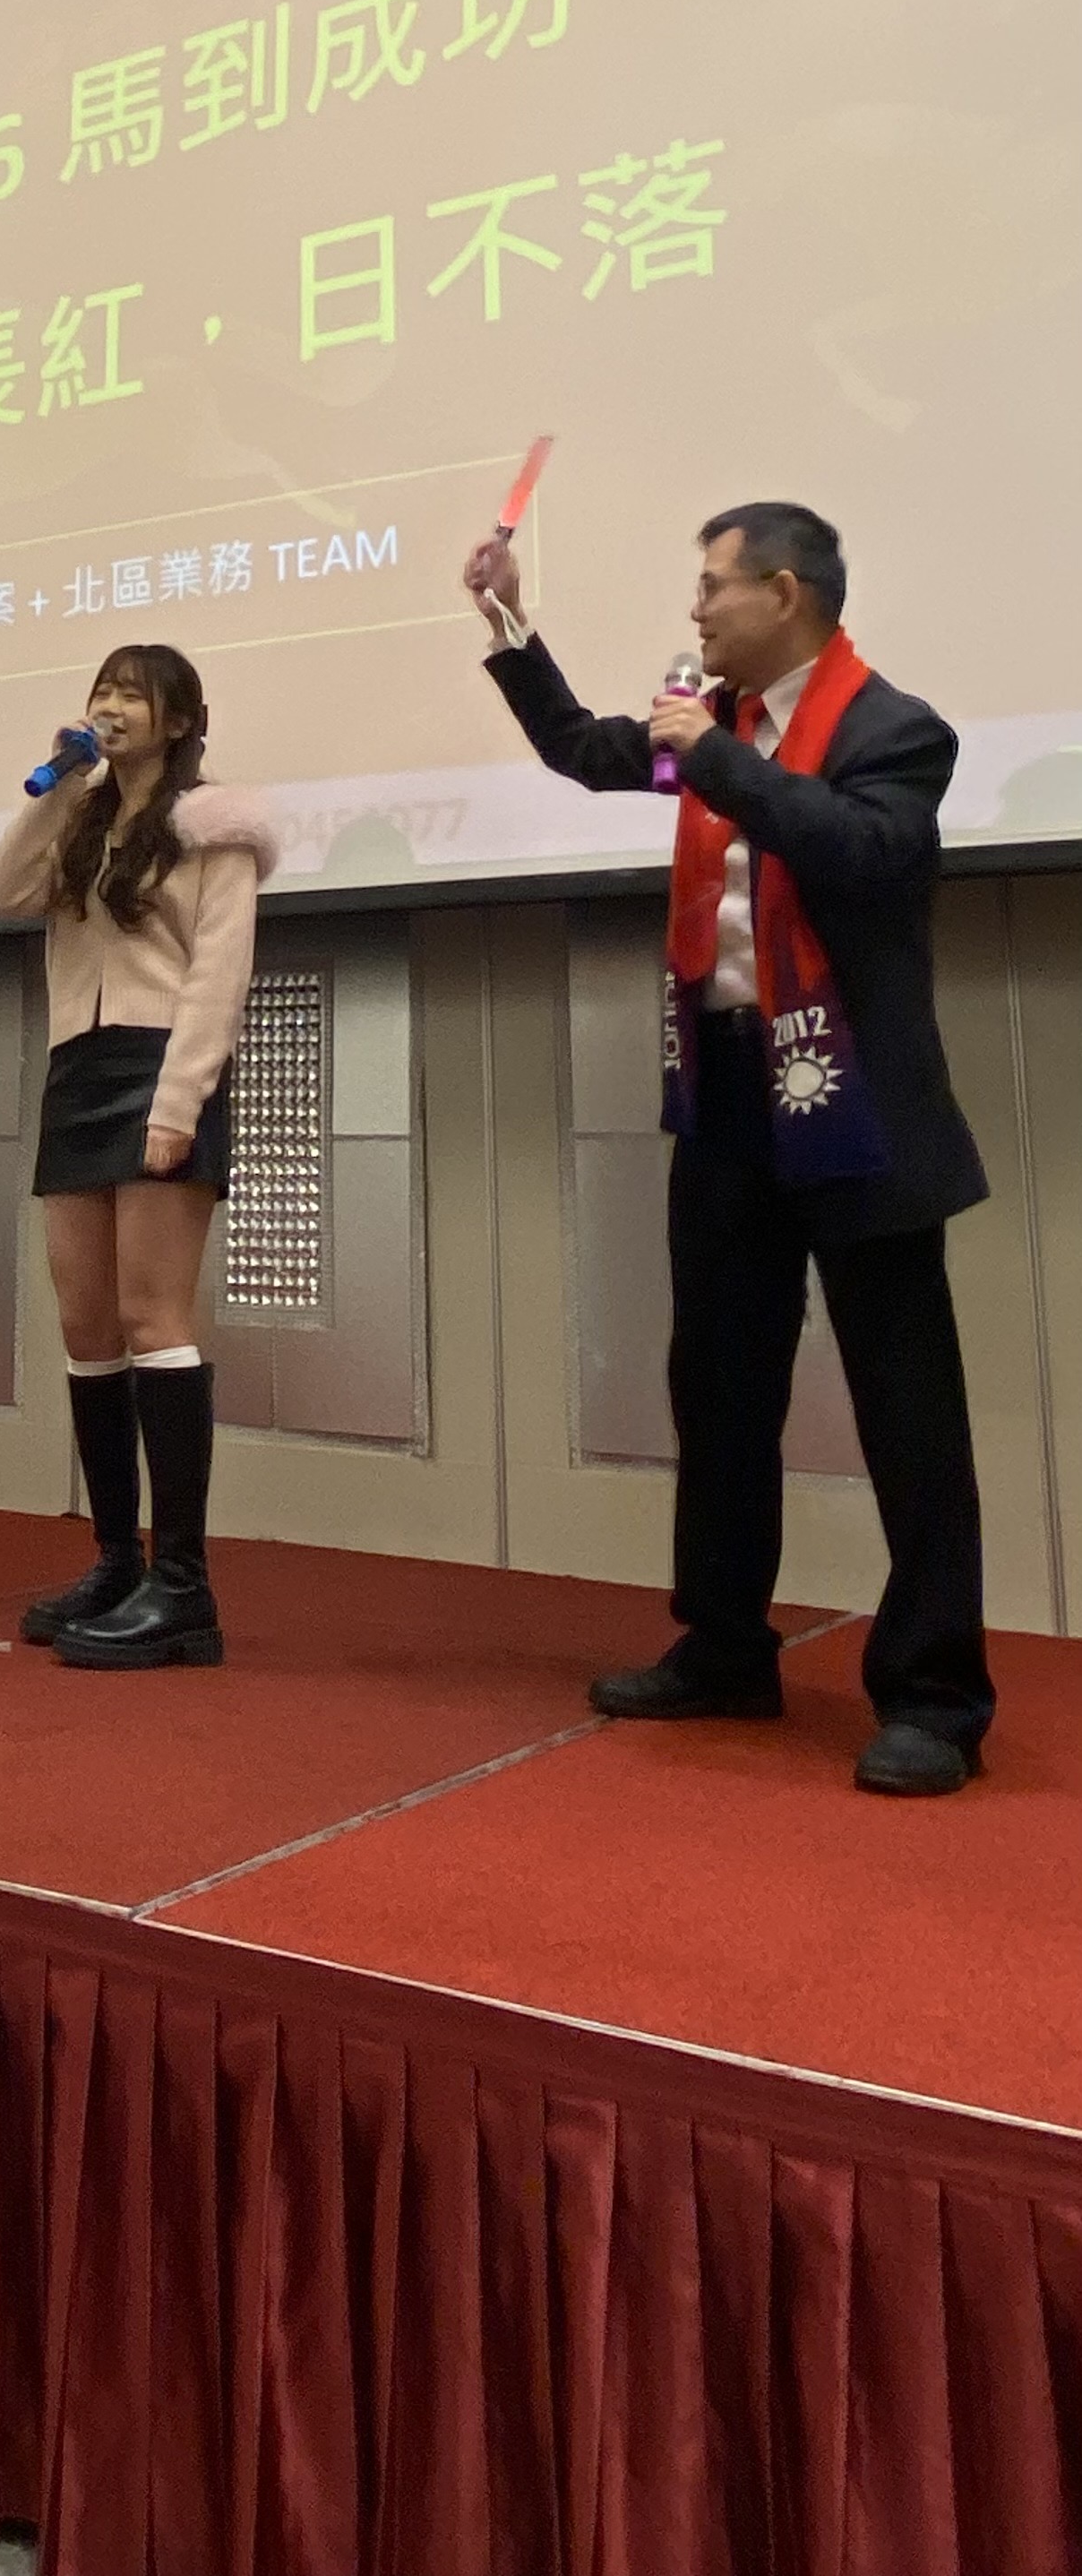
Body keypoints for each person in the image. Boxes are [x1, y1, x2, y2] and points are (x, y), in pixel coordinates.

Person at [463, 501, 994, 1797]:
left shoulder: (894, 729)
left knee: (907, 1410)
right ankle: (722, 1648)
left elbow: (865, 854)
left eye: (713, 587)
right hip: (730, 1102)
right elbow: (585, 751)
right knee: (719, 1384)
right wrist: (510, 625)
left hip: (858, 1106)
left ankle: (935, 1696)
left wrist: (714, 756)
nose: (695, 611)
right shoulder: (713, 724)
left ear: (787, 593)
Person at [0, 644, 279, 1668]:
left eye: (131, 695)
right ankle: (115, 1559)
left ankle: (183, 1586)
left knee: (155, 1318)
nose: (111, 706)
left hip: (161, 1065)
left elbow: (219, 975)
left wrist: (179, 1100)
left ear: (180, 719)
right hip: (78, 1068)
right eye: (101, 690)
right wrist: (58, 786)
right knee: (86, 1325)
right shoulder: (83, 816)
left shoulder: (216, 825)